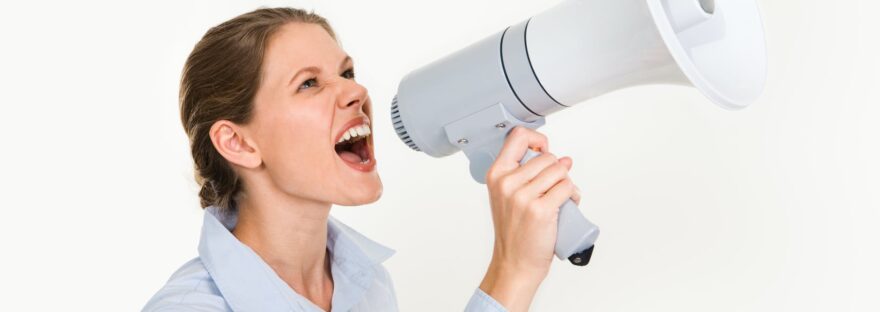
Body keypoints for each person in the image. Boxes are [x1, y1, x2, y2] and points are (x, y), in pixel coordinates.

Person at [144, 7, 581, 312]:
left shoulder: (365, 286)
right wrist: (512, 271)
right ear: (238, 144)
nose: (356, 92)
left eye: (347, 73)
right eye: (309, 84)